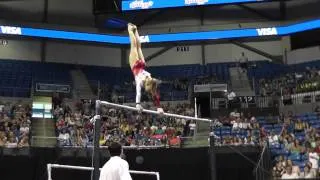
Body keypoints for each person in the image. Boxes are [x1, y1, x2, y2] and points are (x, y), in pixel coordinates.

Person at [127, 23, 163, 114]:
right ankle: (130, 29)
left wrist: (159, 107)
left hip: (140, 65)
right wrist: (138, 104)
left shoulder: (148, 81)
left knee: (137, 46)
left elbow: (151, 94)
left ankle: (134, 29)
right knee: (135, 45)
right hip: (136, 65)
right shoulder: (144, 82)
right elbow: (140, 93)